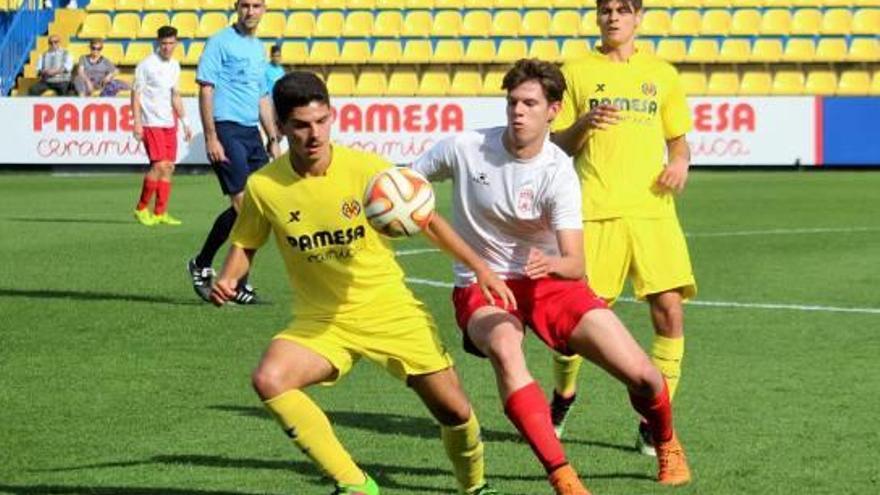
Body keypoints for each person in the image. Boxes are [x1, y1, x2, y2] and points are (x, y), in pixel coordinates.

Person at [210, 70, 508, 495]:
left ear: (332, 117)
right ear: (279, 126)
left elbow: (429, 220)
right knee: (270, 379)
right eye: (300, 125)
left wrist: (480, 267)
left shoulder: (368, 170)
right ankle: (355, 484)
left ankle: (474, 486)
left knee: (455, 411)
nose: (314, 134)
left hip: (389, 310)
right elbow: (246, 243)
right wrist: (228, 277)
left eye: (321, 121)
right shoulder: (265, 187)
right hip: (321, 320)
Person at [411, 59, 691, 494]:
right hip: (481, 285)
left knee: (644, 376)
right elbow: (407, 185)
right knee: (506, 349)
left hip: (550, 283)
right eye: (512, 102)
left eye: (529, 103)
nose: (517, 111)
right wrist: (399, 204)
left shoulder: (559, 171)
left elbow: (576, 263)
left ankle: (667, 441)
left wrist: (553, 265)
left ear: (553, 110)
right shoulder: (463, 147)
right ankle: (562, 474)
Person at [549, 0, 697, 457]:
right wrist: (583, 124)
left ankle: (652, 424)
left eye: (622, 9)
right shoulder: (573, 70)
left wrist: (679, 163)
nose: (613, 16)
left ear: (638, 17)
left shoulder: (663, 74)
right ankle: (563, 395)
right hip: (596, 210)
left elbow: (678, 140)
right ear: (598, 17)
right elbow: (556, 144)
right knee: (576, 324)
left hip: (653, 211)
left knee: (670, 312)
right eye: (606, 9)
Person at [187, 0, 281, 304]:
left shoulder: (258, 48)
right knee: (245, 210)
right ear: (236, 8)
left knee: (258, 208)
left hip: (251, 132)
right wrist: (211, 136)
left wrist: (273, 138)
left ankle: (202, 262)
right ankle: (239, 283)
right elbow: (206, 89)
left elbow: (262, 95)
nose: (250, 11)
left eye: (256, 6)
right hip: (226, 129)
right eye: (245, 5)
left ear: (264, 9)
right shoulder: (219, 42)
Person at [131, 26, 193, 227]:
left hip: (169, 122)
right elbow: (136, 94)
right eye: (164, 43)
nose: (167, 47)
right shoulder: (146, 65)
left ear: (176, 43)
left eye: (171, 43)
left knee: (168, 168)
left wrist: (185, 122)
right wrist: (137, 122)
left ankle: (160, 212)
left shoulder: (175, 65)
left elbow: (175, 95)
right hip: (151, 122)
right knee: (158, 166)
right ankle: (141, 208)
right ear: (158, 43)